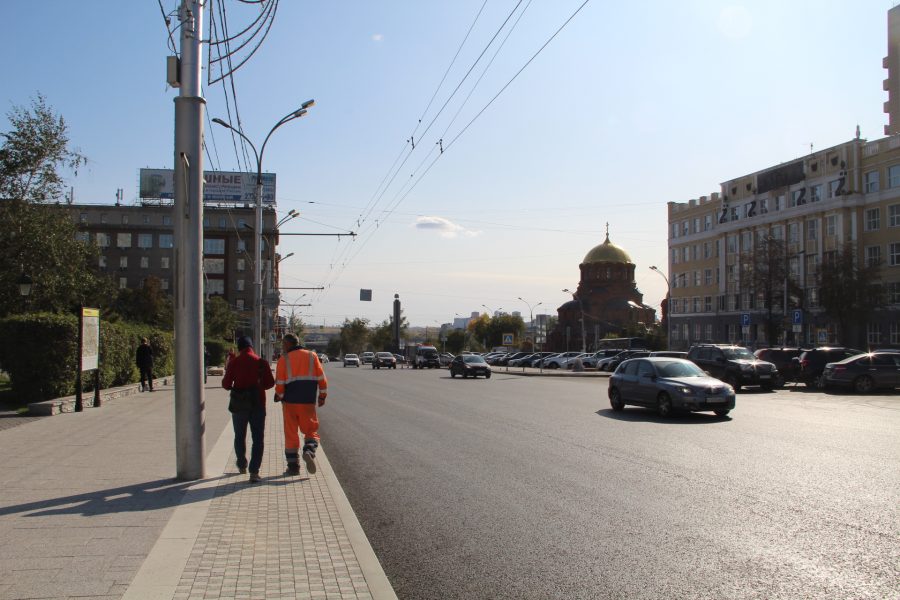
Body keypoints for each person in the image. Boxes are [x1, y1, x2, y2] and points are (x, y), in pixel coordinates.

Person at [222, 336, 275, 483]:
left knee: (239, 436)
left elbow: (226, 384)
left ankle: (241, 464)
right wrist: (258, 386)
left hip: (239, 405)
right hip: (258, 404)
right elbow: (270, 383)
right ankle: (254, 472)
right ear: (252, 347)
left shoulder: (234, 362)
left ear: (239, 348)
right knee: (258, 438)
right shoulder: (261, 362)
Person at [274, 333, 328, 476]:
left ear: (287, 344)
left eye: (283, 345)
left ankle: (293, 467)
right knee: (310, 431)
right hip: (307, 402)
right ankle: (309, 451)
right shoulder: (312, 356)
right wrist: (322, 397)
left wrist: (278, 396)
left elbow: (280, 384)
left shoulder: (283, 359)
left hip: (290, 404)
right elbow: (322, 379)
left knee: (291, 434)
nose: (282, 347)